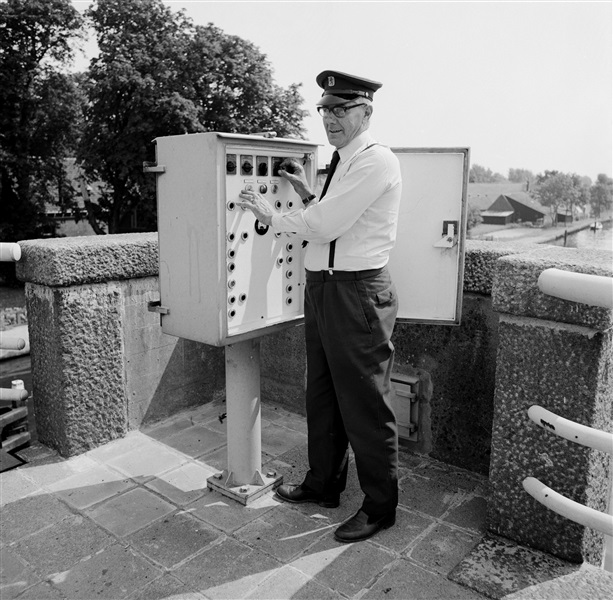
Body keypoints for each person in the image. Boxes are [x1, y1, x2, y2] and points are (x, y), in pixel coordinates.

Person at [236, 70, 402, 543]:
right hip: (325, 286)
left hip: (357, 293)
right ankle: (323, 483)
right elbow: (333, 215)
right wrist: (305, 189)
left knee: (366, 403)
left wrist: (269, 213)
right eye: (325, 109)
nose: (330, 118)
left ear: (366, 112)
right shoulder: (342, 161)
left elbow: (327, 225)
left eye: (342, 109)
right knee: (323, 395)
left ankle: (380, 507)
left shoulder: (376, 160)